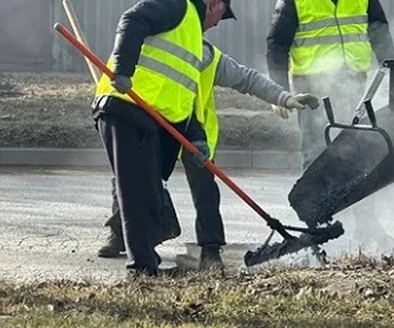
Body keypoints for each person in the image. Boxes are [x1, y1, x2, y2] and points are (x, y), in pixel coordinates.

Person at [97, 35, 318, 271]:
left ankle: (210, 250)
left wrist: (283, 97)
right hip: (151, 127)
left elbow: (246, 79)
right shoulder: (146, 42)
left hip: (195, 132)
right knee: (129, 179)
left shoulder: (207, 55)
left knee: (204, 190)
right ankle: (119, 234)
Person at [91, 0, 234, 277]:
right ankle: (142, 271)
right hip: (126, 108)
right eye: (222, 15)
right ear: (214, 4)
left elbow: (183, 96)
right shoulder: (177, 3)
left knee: (148, 193)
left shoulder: (192, 36)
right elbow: (132, 19)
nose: (219, 24)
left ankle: (145, 264)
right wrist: (123, 70)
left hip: (151, 118)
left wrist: (197, 141)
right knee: (138, 193)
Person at [266, 0, 394, 248]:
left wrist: (391, 67)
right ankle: (317, 229)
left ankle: (367, 224)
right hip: (311, 88)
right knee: (316, 154)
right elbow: (277, 44)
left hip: (353, 82)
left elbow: (378, 27)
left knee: (358, 152)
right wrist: (278, 91)